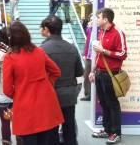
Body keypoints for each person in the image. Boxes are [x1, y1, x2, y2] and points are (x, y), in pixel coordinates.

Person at [3, 22, 63, 145]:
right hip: (46, 103)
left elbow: (7, 89)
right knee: (46, 139)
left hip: (25, 107)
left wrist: (19, 93)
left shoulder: (10, 58)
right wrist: (47, 84)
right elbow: (56, 71)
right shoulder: (39, 51)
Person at [40, 15, 84, 145]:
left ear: (47, 29)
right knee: (69, 125)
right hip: (69, 93)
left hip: (50, 94)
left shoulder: (41, 50)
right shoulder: (72, 48)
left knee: (51, 128)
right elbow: (79, 72)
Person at [89, 8, 127, 144]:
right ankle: (107, 129)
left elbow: (123, 54)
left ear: (105, 20)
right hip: (99, 73)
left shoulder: (118, 33)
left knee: (112, 104)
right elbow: (98, 54)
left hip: (111, 75)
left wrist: (104, 51)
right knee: (104, 103)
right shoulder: (102, 32)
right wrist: (92, 71)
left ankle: (116, 133)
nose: (96, 20)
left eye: (98, 17)